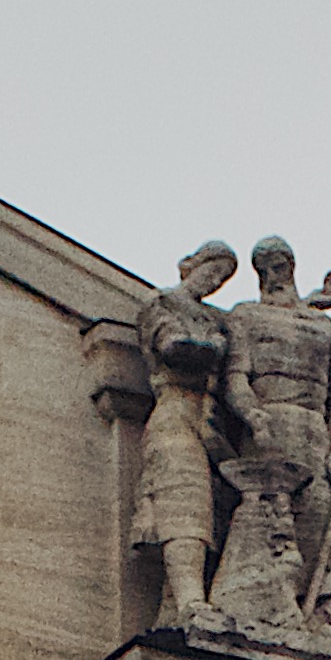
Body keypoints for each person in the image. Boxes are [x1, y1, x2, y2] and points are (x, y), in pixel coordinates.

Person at [217, 239, 331, 615]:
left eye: (280, 265)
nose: (275, 274)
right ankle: (269, 609)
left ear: (292, 266)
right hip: (270, 422)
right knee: (272, 522)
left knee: (316, 518)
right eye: (266, 268)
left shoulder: (322, 326)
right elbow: (235, 377)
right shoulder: (244, 316)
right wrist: (252, 415)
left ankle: (310, 610)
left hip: (314, 429)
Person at [128, 244, 237, 615]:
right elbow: (172, 347)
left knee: (211, 514)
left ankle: (173, 609)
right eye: (212, 271)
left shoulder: (218, 319)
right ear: (193, 265)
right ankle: (191, 601)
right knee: (184, 504)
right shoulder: (161, 303)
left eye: (223, 278)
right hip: (174, 410)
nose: (214, 282)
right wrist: (217, 348)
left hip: (209, 421)